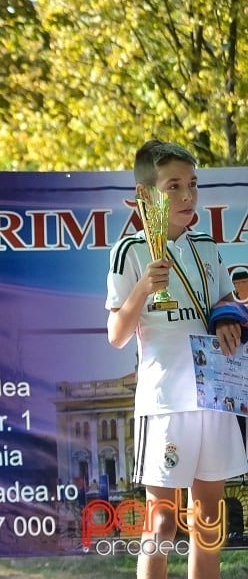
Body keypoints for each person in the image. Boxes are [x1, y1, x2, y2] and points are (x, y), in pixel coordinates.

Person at [106, 139, 246, 579]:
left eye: (192, 185)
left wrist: (227, 319)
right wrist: (143, 289)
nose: (187, 196)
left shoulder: (206, 245)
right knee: (162, 520)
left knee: (208, 519)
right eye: (173, 187)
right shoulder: (130, 251)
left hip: (215, 396)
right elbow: (116, 335)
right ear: (147, 196)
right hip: (166, 401)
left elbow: (225, 296)